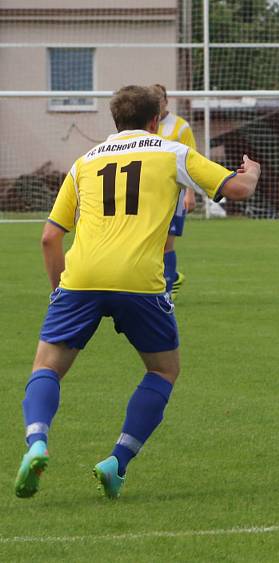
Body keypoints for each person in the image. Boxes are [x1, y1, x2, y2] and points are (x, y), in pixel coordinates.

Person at [14, 85, 260, 499]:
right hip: (139, 281)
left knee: (47, 368)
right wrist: (251, 170)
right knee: (163, 370)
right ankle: (116, 462)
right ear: (155, 120)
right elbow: (237, 190)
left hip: (82, 278)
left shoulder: (83, 162)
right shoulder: (170, 151)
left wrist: (60, 293)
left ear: (115, 120)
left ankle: (37, 441)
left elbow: (49, 237)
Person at [152, 84, 197, 299]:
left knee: (166, 243)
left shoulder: (180, 127)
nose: (156, 103)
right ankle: (171, 277)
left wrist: (190, 193)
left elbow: (191, 160)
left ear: (166, 101)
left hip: (174, 194)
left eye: (159, 99)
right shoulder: (144, 126)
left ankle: (167, 291)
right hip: (149, 193)